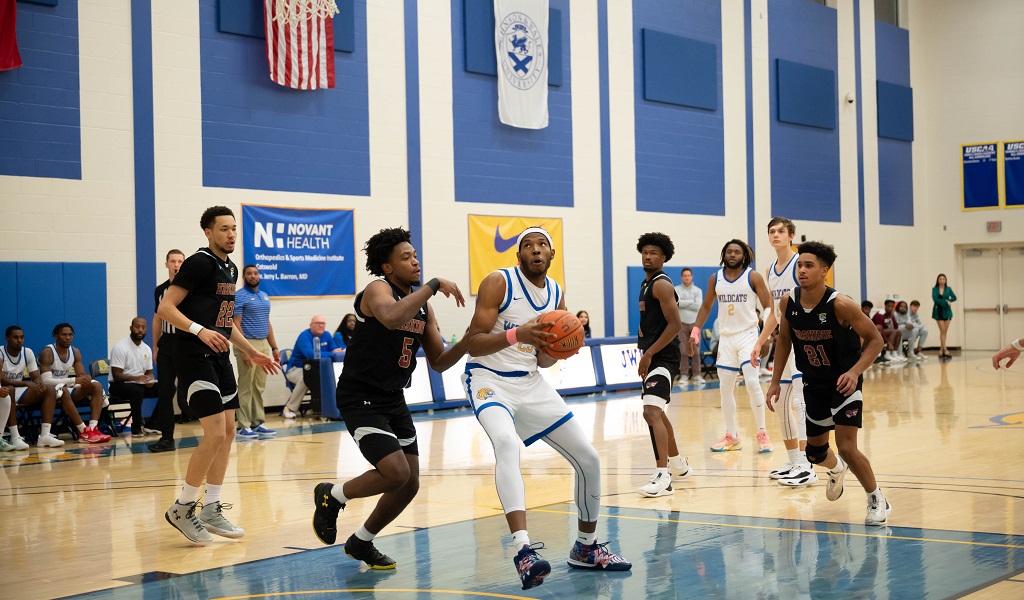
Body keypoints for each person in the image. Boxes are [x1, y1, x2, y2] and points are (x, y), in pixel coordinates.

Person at [462, 226, 632, 590]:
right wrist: (515, 334)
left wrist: (561, 347)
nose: (536, 250)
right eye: (528, 245)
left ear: (552, 255)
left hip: (529, 381)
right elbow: (473, 344)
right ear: (518, 255)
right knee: (506, 444)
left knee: (589, 458)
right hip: (489, 378)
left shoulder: (556, 293)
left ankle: (586, 548)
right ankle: (523, 552)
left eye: (542, 245)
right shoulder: (498, 282)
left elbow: (542, 360)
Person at [311, 227, 469, 569]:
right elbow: (392, 315)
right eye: (406, 257)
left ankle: (361, 541)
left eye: (415, 256)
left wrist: (470, 339)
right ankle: (332, 495)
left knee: (409, 483)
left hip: (393, 398)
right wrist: (435, 285)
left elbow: (439, 362)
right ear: (387, 267)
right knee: (395, 473)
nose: (415, 261)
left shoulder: (423, 306)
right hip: (359, 396)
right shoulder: (377, 289)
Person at [157, 206, 279, 544]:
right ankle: (182, 507)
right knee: (213, 433)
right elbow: (165, 308)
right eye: (224, 229)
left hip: (220, 355)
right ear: (208, 232)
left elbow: (223, 323)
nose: (231, 234)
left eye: (234, 229)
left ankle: (211, 507)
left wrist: (250, 350)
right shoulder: (199, 263)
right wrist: (198, 330)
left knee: (229, 431)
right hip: (193, 355)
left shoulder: (231, 267)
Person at [766, 241, 891, 527]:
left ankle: (876, 498)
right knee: (814, 453)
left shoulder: (841, 304)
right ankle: (835, 470)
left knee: (847, 447)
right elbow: (784, 340)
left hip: (845, 383)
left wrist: (855, 371)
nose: (802, 270)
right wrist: (775, 381)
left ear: (825, 271)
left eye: (809, 265)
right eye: (799, 265)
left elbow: (876, 340)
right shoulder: (788, 302)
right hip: (814, 384)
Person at [690, 239, 775, 453]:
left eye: (737, 252)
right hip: (727, 338)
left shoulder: (752, 276)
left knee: (752, 383)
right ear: (724, 254)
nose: (733, 255)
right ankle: (731, 435)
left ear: (743, 256)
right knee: (724, 388)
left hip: (748, 335)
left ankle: (762, 433)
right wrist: (695, 330)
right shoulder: (715, 278)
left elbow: (768, 305)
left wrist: (764, 336)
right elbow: (707, 305)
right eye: (729, 251)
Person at [750, 217, 814, 486]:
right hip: (784, 344)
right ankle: (794, 460)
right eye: (771, 232)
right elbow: (776, 314)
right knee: (780, 401)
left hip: (803, 341)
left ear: (791, 236)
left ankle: (808, 463)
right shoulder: (770, 270)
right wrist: (760, 341)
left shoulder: (800, 265)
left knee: (801, 402)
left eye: (780, 231)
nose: (775, 235)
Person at [635, 233, 691, 498]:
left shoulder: (662, 285)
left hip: (665, 357)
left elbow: (675, 325)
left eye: (654, 252)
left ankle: (663, 476)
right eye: (645, 252)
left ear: (664, 257)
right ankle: (678, 464)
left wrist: (649, 355)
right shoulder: (646, 284)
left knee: (651, 412)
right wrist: (643, 351)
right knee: (657, 411)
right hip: (653, 355)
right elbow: (649, 325)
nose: (648, 256)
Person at [38, 323, 111, 443]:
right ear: (56, 336)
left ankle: (92, 428)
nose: (68, 338)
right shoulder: (47, 352)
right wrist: (74, 381)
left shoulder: (75, 352)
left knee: (96, 386)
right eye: (64, 335)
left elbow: (81, 376)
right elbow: (45, 381)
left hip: (65, 388)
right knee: (64, 390)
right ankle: (83, 431)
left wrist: (86, 379)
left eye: (70, 335)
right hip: (48, 392)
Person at [232, 264, 281, 440]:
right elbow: (236, 323)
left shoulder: (264, 296)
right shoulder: (239, 296)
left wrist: (274, 348)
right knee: (246, 386)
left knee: (258, 386)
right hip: (247, 344)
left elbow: (267, 323)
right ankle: (242, 426)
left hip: (263, 345)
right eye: (249, 274)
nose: (253, 276)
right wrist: (245, 349)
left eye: (255, 273)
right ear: (244, 277)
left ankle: (257, 422)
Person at [2, 325, 63, 448]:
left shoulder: (27, 352)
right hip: (3, 392)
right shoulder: (0, 352)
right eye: (15, 337)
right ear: (7, 339)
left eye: (22, 337)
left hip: (18, 391)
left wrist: (39, 384)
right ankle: (15, 437)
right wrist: (25, 383)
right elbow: (1, 379)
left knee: (49, 390)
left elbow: (35, 375)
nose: (19, 340)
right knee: (10, 389)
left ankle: (44, 436)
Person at [150, 249, 187, 453]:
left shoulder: (191, 288)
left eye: (180, 261)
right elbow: (157, 319)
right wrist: (155, 346)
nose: (176, 264)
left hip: (185, 342)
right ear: (167, 264)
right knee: (165, 391)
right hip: (166, 343)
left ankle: (210, 432)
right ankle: (167, 438)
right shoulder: (160, 290)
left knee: (191, 388)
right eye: (173, 261)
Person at [282, 316, 343, 419]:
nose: (321, 325)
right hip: (296, 369)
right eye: (317, 323)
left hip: (318, 369)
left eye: (323, 323)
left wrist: (336, 352)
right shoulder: (304, 336)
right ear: (311, 325)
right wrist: (331, 353)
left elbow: (335, 351)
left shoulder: (327, 335)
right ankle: (289, 408)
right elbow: (310, 354)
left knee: (328, 379)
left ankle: (325, 408)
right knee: (305, 379)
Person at [108, 318, 160, 436]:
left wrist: (149, 379)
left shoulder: (146, 348)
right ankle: (136, 427)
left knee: (168, 388)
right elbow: (116, 375)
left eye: (143, 327)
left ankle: (153, 424)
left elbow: (149, 373)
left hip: (139, 385)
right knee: (136, 390)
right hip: (119, 386)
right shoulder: (121, 347)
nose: (140, 330)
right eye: (137, 327)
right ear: (131, 328)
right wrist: (135, 378)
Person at [674, 267, 703, 384]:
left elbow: (698, 306)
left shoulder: (698, 291)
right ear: (681, 277)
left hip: (695, 324)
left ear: (692, 277)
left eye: (688, 275)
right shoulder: (676, 289)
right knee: (683, 351)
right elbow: (677, 303)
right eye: (684, 275)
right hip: (681, 324)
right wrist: (691, 301)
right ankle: (684, 375)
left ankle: (697, 375)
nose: (687, 277)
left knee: (695, 350)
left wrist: (684, 303)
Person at [932, 274, 957, 359]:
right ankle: (945, 349)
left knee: (944, 332)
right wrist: (945, 302)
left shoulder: (948, 289)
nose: (942, 280)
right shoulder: (934, 289)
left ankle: (941, 349)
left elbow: (954, 297)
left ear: (945, 280)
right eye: (940, 279)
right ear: (938, 280)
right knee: (942, 331)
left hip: (947, 312)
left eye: (943, 279)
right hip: (938, 311)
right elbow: (935, 299)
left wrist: (949, 300)